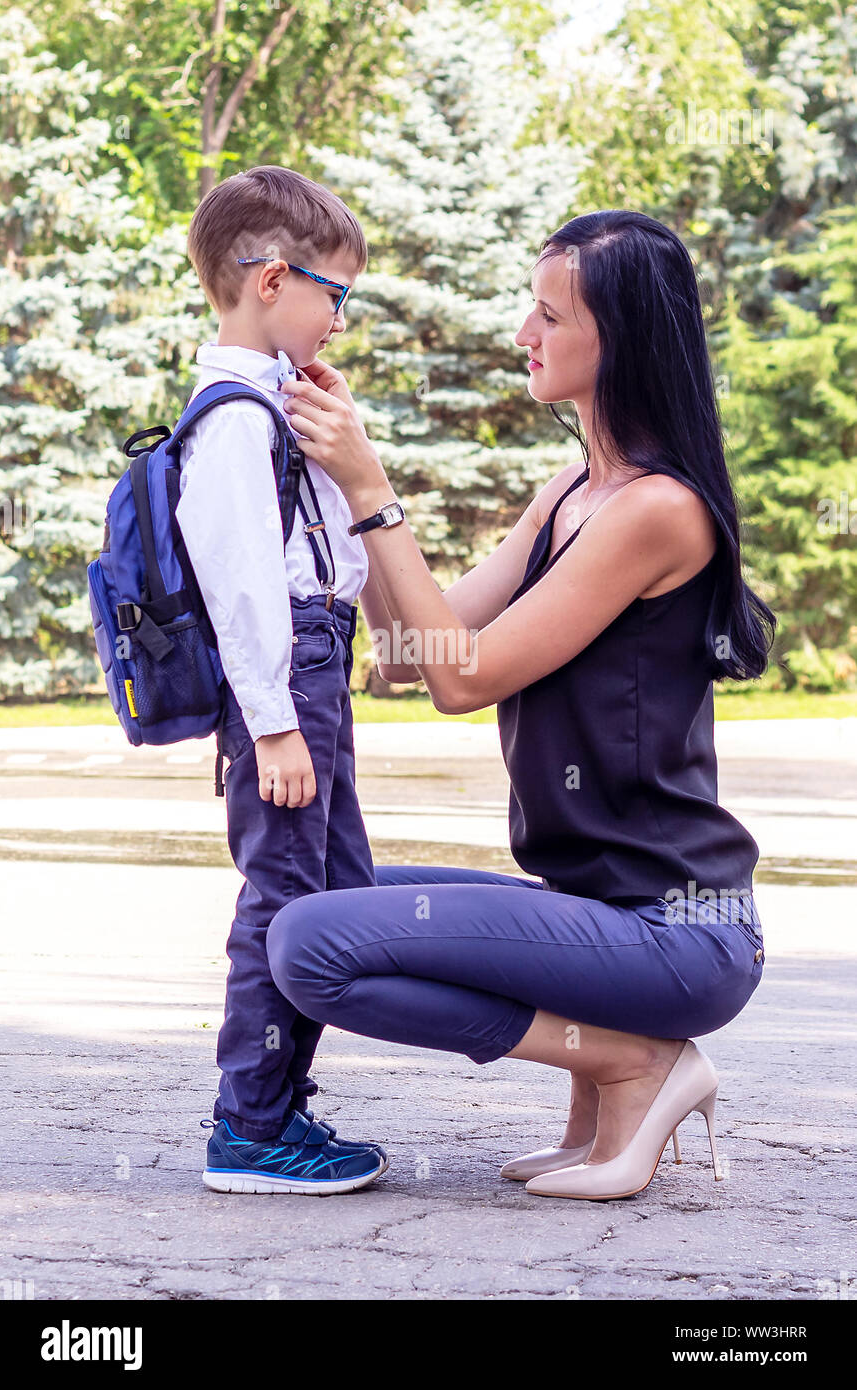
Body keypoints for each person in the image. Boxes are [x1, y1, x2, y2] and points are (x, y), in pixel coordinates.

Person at [266, 209, 777, 1202]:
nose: (520, 333)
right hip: (593, 910)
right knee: (320, 885)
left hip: (678, 929)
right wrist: (341, 491)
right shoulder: (571, 492)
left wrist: (372, 488)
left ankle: (626, 1064)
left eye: (546, 313)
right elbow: (408, 656)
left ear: (618, 339)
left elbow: (460, 681)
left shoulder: (654, 511)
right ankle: (608, 1087)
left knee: (311, 943)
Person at [177, 165, 388, 1194]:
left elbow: (329, 558)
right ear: (271, 281)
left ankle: (277, 1103)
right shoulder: (230, 416)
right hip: (283, 679)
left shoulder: (274, 402)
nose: (340, 318)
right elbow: (243, 584)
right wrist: (271, 725)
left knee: (334, 893)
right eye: (333, 294)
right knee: (283, 897)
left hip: (311, 665)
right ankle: (249, 1126)